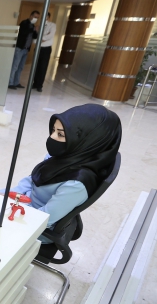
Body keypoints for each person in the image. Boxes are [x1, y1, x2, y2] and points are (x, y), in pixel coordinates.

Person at [9, 104, 121, 248]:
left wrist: (8, 209)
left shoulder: (76, 184)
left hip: (33, 226)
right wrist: (8, 196)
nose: (52, 137)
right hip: (22, 206)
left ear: (87, 140)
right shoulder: (67, 155)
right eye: (53, 130)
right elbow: (32, 179)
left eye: (61, 134)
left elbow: (43, 220)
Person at [8, 10, 40, 90]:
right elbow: (23, 32)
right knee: (15, 66)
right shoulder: (24, 23)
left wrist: (36, 31)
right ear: (31, 16)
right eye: (35, 17)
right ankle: (10, 83)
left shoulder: (32, 26)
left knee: (21, 67)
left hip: (26, 49)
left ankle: (16, 82)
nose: (36, 19)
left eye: (37, 18)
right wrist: (33, 29)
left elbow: (34, 36)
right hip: (19, 48)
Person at [32, 13, 56, 92]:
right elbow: (34, 39)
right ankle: (35, 84)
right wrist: (41, 38)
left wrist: (40, 38)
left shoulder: (52, 25)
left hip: (46, 49)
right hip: (38, 48)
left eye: (46, 17)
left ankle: (39, 85)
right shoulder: (38, 26)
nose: (44, 18)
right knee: (36, 66)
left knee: (43, 67)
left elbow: (50, 36)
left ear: (49, 17)